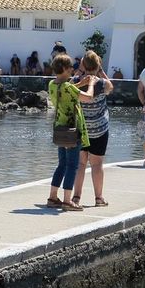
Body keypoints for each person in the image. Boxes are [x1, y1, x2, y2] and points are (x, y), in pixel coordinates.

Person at [47, 53, 90, 210]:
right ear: (65, 69)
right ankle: (67, 200)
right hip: (72, 130)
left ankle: (52, 197)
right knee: (72, 165)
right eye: (71, 67)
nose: (73, 69)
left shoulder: (52, 84)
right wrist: (89, 84)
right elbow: (88, 98)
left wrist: (78, 83)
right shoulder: (68, 87)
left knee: (62, 164)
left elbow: (65, 89)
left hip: (60, 128)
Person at [71, 51, 113, 208]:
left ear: (83, 64)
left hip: (81, 129)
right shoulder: (101, 83)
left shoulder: (76, 80)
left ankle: (76, 197)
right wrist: (101, 71)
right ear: (98, 65)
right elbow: (111, 86)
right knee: (97, 164)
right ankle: (98, 198)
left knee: (80, 164)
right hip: (99, 129)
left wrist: (80, 71)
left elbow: (69, 86)